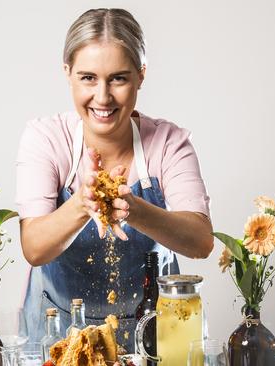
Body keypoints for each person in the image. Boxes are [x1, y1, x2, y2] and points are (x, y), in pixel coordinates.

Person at [15, 8, 213, 353]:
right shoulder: (46, 139)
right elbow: (34, 247)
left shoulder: (168, 143)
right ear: (68, 74)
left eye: (118, 78)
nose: (103, 97)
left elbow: (200, 241)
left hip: (151, 333)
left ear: (141, 75)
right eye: (88, 78)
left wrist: (134, 210)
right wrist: (82, 203)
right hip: (57, 331)